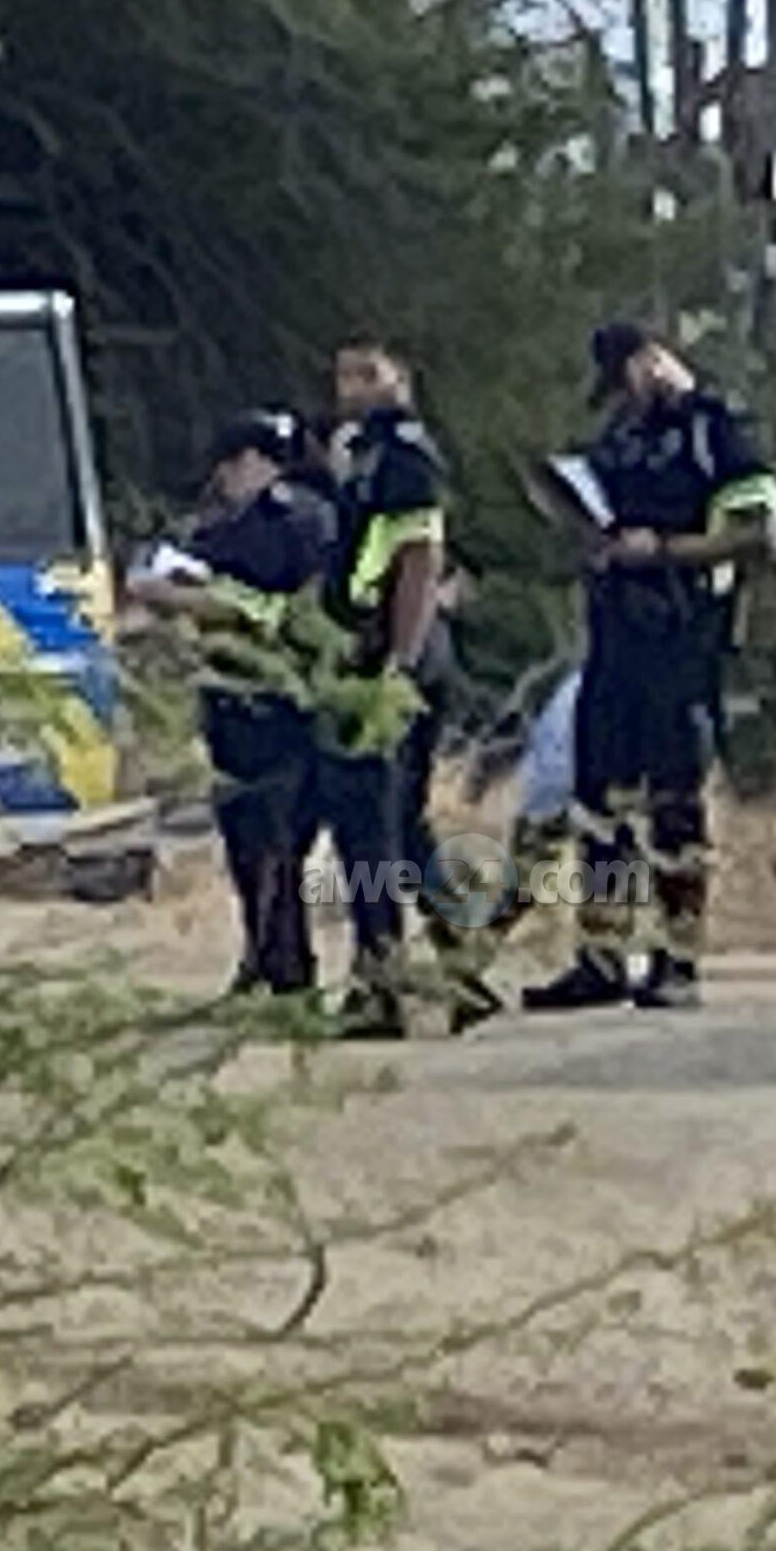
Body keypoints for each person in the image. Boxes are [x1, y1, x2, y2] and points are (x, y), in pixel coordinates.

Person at [524, 322, 776, 1015]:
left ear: (654, 360)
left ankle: (678, 961)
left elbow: (760, 533)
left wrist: (663, 549)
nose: (626, 396)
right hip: (614, 637)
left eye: (629, 379)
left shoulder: (716, 430)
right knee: (597, 801)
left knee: (675, 803)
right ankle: (601, 957)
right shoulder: (619, 433)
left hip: (683, 638)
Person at [149, 409, 340, 998]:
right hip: (230, 697)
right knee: (244, 838)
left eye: (232, 463)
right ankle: (263, 954)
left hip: (280, 700)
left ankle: (288, 964)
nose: (225, 477)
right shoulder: (220, 523)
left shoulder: (301, 519)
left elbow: (297, 606)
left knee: (280, 838)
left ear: (257, 461)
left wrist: (206, 601)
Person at [320, 337, 455, 1036]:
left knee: (372, 826)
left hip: (391, 660)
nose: (352, 387)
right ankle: (462, 949)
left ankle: (383, 985)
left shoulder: (405, 456)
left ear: (403, 377)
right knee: (395, 822)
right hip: (364, 655)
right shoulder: (357, 453)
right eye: (344, 374)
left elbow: (419, 563)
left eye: (368, 373)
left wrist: (397, 665)